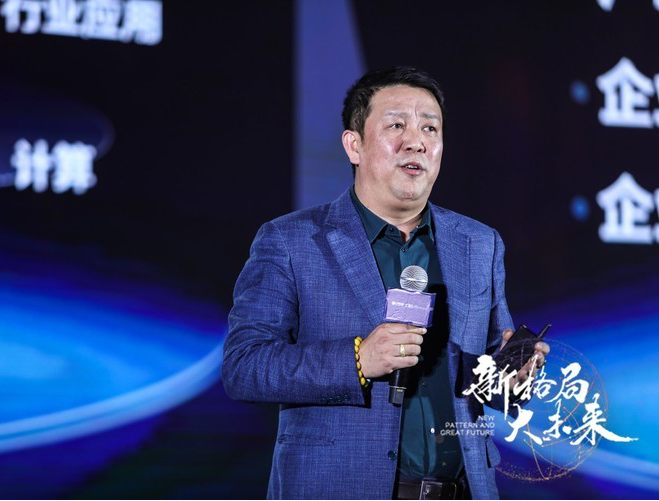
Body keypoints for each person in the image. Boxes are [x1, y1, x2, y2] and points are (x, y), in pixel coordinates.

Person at [222, 66, 549, 500]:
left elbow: (485, 373)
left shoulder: (479, 243)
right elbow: (244, 366)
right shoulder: (291, 240)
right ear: (354, 145)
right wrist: (358, 360)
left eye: (430, 128)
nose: (416, 141)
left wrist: (512, 380)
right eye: (396, 125)